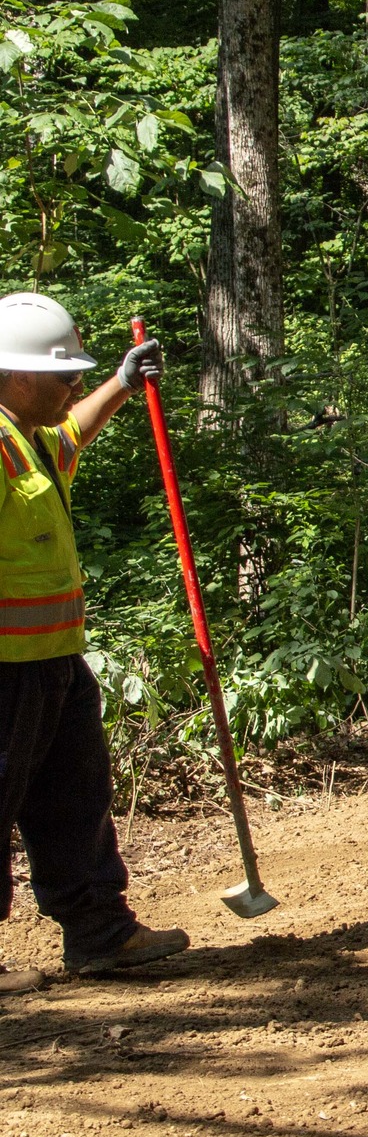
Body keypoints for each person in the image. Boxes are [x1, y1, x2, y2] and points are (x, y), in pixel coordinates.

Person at [0, 292, 190, 993]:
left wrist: (120, 383)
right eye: (65, 377)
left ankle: (100, 934)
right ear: (18, 375)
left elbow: (71, 435)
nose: (74, 386)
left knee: (74, 799)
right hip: (4, 671)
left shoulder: (26, 437)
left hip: (52, 662)